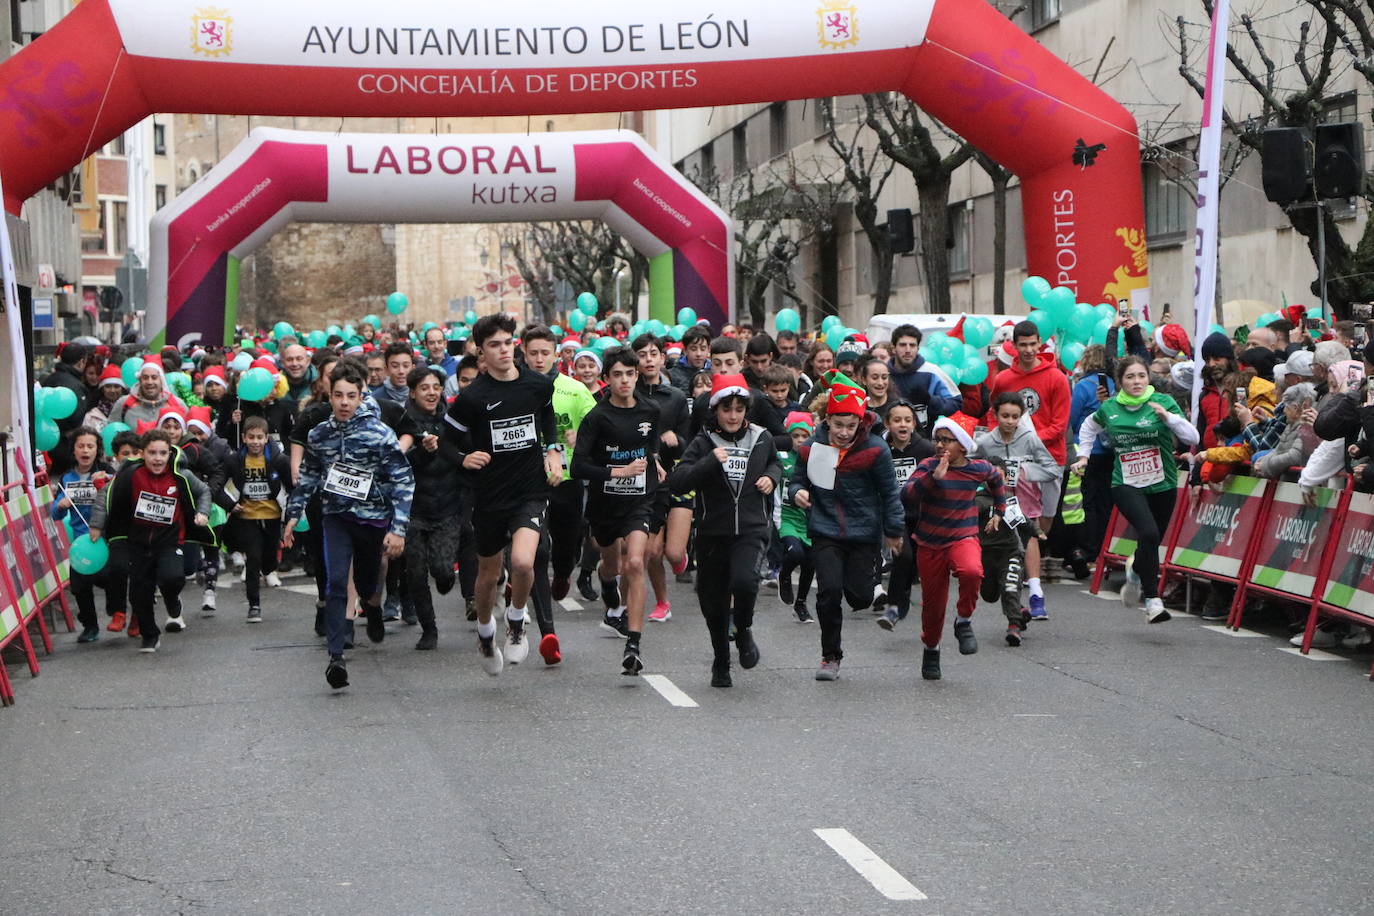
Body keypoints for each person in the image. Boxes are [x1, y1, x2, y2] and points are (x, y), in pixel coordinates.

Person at [283, 362, 414, 690]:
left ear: (360, 397)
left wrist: (398, 529)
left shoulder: (378, 432)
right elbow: (310, 474)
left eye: (350, 396)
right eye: (338, 395)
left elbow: (403, 479)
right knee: (337, 582)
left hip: (372, 518)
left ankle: (373, 604)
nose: (343, 402)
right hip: (336, 516)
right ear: (329, 395)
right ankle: (336, 658)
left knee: (368, 582)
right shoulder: (320, 433)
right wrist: (293, 513)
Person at [444, 314, 563, 676]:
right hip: (490, 495)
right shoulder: (472, 397)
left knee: (525, 562)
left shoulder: (537, 385)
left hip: (529, 489)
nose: (503, 350)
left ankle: (515, 621)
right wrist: (464, 458)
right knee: (489, 575)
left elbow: (546, 418)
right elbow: (446, 442)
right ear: (481, 352)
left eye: (507, 342)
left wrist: (553, 450)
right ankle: (484, 632)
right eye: (493, 345)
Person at [789, 373, 905, 681]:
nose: (843, 432)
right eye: (837, 425)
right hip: (825, 529)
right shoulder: (812, 447)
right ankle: (830, 656)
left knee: (860, 598)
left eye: (850, 426)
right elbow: (797, 480)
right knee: (828, 592)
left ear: (861, 422)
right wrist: (796, 492)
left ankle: (865, 589)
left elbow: (890, 493)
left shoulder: (876, 450)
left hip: (864, 532)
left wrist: (893, 531)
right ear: (827, 420)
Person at [669, 373, 781, 687]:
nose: (733, 416)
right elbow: (679, 480)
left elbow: (776, 463)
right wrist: (708, 462)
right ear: (716, 410)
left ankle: (743, 629)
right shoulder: (704, 441)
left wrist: (772, 477)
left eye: (739, 409)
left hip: (751, 527)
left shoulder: (762, 437)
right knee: (713, 600)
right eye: (726, 409)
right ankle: (721, 660)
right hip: (712, 531)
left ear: (747, 410)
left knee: (745, 582)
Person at [1073, 355, 1199, 623]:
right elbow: (1087, 427)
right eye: (1130, 377)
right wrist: (1083, 456)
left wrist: (1169, 419)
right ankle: (1153, 602)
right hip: (1126, 483)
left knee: (1151, 541)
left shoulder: (1162, 402)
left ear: (1148, 378)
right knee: (1148, 532)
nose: (1137, 381)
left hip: (1163, 482)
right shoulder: (1110, 408)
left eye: (1141, 375)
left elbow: (1193, 438)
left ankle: (1133, 573)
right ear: (1120, 382)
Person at [571, 347, 662, 675]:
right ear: (606, 379)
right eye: (618, 375)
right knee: (611, 565)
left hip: (639, 502)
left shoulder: (651, 410)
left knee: (636, 562)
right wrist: (616, 472)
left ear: (637, 376)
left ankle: (633, 644)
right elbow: (578, 466)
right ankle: (607, 584)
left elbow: (650, 449)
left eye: (630, 374)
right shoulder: (597, 417)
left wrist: (656, 463)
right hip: (604, 505)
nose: (625, 380)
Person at [87, 429, 215, 652]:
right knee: (139, 593)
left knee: (172, 578)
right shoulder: (131, 475)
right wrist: (98, 525)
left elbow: (204, 491)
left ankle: (172, 601)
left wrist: (202, 513)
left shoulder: (180, 474)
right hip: (137, 541)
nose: (158, 458)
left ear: (169, 454)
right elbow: (106, 495)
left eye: (163, 453)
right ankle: (150, 635)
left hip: (170, 540)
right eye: (152, 453)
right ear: (142, 454)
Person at [901, 413, 1005, 680]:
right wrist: (933, 478)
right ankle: (931, 649)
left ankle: (964, 620)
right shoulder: (927, 465)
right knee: (933, 605)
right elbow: (907, 496)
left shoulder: (977, 468)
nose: (940, 445)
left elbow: (996, 479)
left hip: (963, 536)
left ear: (962, 444)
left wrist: (999, 510)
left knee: (972, 571)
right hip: (930, 542)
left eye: (948, 440)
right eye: (938, 439)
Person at [987, 320, 1071, 560]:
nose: (1028, 350)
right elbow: (993, 414)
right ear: (1014, 345)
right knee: (1020, 511)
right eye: (1023, 345)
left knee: (1046, 515)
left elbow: (1059, 426)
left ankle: (1033, 552)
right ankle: (1021, 559)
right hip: (1014, 459)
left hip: (1050, 456)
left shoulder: (1057, 378)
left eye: (1033, 344)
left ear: (1040, 344)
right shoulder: (1004, 379)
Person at [396, 365, 465, 650]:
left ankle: (446, 576)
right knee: (414, 571)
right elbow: (398, 465)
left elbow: (465, 451)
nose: (431, 392)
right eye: (424, 388)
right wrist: (421, 452)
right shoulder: (403, 423)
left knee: (443, 570)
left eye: (436, 386)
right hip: (413, 510)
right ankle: (429, 629)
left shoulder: (452, 420)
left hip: (448, 506)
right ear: (412, 392)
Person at [974, 393, 1061, 619]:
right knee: (1004, 550)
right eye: (1005, 416)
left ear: (1021, 416)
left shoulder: (1030, 438)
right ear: (995, 415)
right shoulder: (985, 443)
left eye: (1015, 416)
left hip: (1024, 497)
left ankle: (1036, 593)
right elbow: (971, 465)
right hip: (996, 501)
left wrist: (1026, 471)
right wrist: (985, 479)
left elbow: (1053, 469)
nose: (1010, 421)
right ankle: (1009, 591)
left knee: (1028, 538)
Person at [630, 333, 690, 623]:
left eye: (653, 354)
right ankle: (663, 602)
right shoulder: (630, 396)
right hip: (645, 481)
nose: (648, 359)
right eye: (642, 355)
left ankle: (681, 558)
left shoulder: (677, 398)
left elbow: (690, 440)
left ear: (663, 359)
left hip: (677, 478)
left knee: (674, 553)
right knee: (652, 552)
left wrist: (675, 437)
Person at [217, 416, 289, 623]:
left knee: (268, 559)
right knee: (253, 558)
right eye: (251, 437)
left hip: (273, 516)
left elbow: (292, 485)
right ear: (244, 438)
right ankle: (254, 605)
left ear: (267, 438)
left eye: (259, 437)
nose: (255, 441)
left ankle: (269, 569)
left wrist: (291, 513)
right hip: (247, 517)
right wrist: (229, 504)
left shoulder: (278, 460)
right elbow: (218, 485)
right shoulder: (234, 460)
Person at [51, 427, 114, 642]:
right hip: (81, 541)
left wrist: (106, 483)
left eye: (90, 446)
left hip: (105, 539)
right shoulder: (66, 478)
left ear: (97, 450)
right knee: (79, 587)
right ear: (74, 451)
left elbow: (120, 500)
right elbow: (55, 515)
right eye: (80, 446)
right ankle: (90, 626)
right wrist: (60, 505)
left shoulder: (107, 473)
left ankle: (115, 608)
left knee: (109, 579)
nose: (85, 450)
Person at [875, 400, 934, 629]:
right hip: (894, 514)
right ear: (888, 424)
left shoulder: (926, 449)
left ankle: (902, 601)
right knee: (903, 556)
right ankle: (893, 607)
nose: (903, 424)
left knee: (915, 562)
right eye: (897, 420)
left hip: (922, 515)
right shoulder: (881, 450)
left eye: (908, 420)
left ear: (914, 424)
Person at [778, 411, 816, 623]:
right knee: (795, 555)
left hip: (808, 520)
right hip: (786, 518)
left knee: (811, 562)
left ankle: (800, 604)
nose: (800, 441)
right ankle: (784, 575)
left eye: (804, 436)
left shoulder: (814, 459)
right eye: (795, 436)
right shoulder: (781, 457)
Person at [887, 324, 962, 432]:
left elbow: (956, 404)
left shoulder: (932, 371)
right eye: (903, 345)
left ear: (918, 348)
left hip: (923, 438)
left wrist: (930, 401)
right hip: (889, 439)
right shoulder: (884, 373)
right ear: (894, 349)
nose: (908, 350)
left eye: (912, 345)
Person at [375, 342, 413, 406]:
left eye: (405, 366)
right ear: (386, 369)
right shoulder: (376, 399)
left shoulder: (420, 396)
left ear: (412, 368)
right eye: (395, 366)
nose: (401, 371)